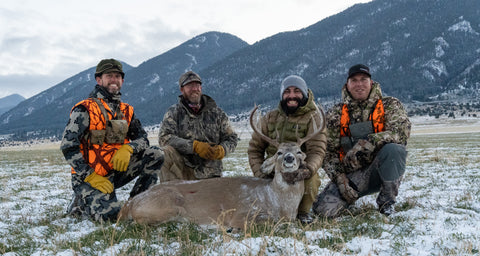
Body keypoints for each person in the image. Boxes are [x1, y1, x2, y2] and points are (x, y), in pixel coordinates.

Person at [61, 58, 164, 222]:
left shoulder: (127, 110)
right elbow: (68, 146)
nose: (114, 80)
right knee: (111, 218)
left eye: (117, 76)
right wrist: (90, 176)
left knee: (156, 154)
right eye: (109, 76)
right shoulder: (85, 109)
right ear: (99, 79)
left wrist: (129, 148)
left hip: (115, 171)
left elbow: (143, 139)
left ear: (122, 80)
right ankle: (81, 201)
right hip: (89, 177)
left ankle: (137, 202)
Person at [313, 64, 411, 218]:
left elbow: (401, 132)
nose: (359, 84)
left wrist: (369, 141)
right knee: (323, 211)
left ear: (371, 83)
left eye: (363, 79)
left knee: (395, 150)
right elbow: (327, 152)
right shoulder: (335, 114)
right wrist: (340, 179)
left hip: (380, 170)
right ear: (347, 85)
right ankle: (348, 199)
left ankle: (386, 203)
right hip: (351, 177)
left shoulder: (390, 105)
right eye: (354, 80)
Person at [248, 75, 327, 224]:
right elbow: (254, 149)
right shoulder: (270, 117)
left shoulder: (314, 118)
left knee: (311, 180)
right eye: (287, 91)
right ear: (282, 95)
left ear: (304, 93)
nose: (291, 95)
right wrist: (260, 173)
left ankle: (303, 213)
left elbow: (317, 150)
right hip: (273, 169)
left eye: (297, 91)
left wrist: (307, 170)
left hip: (299, 171)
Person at [158, 71, 238, 181]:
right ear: (182, 89)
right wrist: (194, 146)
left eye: (197, 85)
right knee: (163, 153)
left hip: (210, 172)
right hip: (182, 170)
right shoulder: (174, 113)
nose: (195, 89)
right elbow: (164, 138)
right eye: (190, 86)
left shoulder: (217, 113)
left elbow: (232, 138)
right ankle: (170, 191)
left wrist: (223, 149)